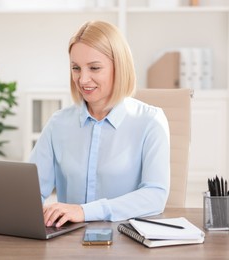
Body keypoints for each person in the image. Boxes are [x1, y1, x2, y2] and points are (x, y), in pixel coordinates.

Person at [29, 20, 170, 228]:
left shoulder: (150, 122)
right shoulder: (58, 124)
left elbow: (155, 196)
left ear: (119, 68)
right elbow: (31, 192)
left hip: (126, 241)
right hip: (70, 242)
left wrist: (84, 211)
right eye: (76, 68)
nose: (83, 80)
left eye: (94, 68)